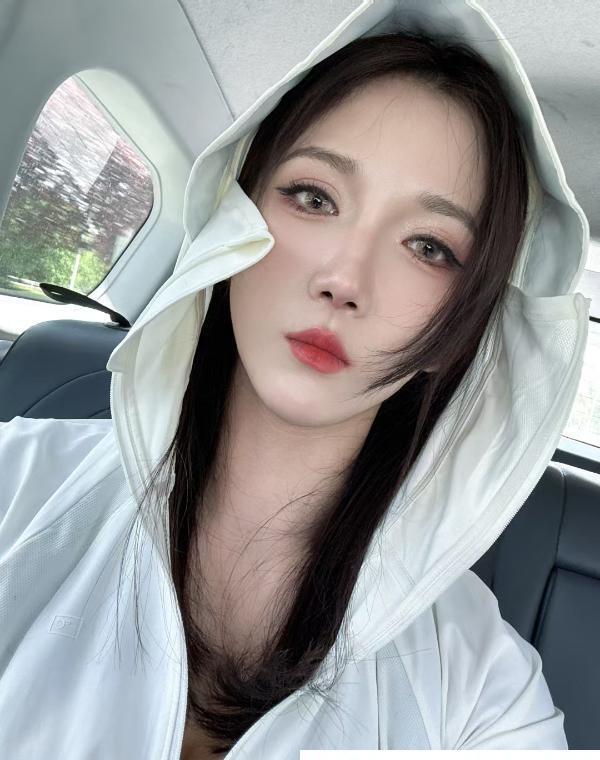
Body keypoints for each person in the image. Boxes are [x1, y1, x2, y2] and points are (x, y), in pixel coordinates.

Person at [0, 2, 591, 759]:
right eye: (314, 198)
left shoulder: (481, 695)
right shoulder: (17, 487)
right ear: (230, 229)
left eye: (429, 247)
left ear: (458, 333)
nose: (344, 279)